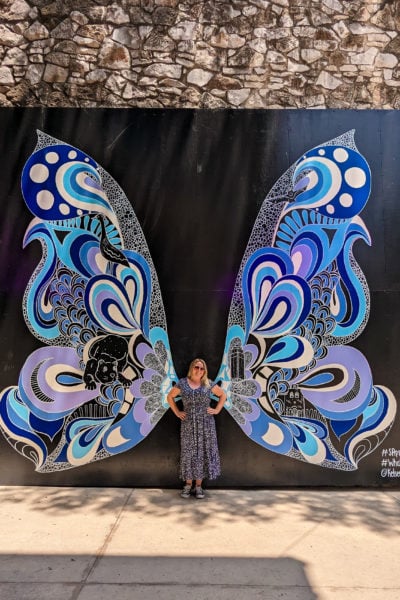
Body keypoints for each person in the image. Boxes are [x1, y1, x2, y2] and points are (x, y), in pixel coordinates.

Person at [167, 358, 226, 499]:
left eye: (201, 368)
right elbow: (170, 397)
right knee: (189, 453)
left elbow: (223, 395)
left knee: (201, 453)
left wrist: (217, 409)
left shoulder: (208, 384)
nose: (199, 370)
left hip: (206, 424)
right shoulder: (182, 383)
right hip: (188, 424)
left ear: (204, 371)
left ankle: (198, 486)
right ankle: (188, 485)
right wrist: (177, 412)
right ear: (191, 368)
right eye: (196, 367)